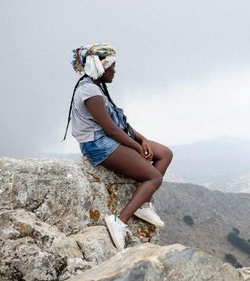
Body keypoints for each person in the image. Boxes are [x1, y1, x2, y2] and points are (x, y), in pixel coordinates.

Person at [63, 43, 173, 250]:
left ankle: (143, 203)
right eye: (111, 66)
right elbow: (111, 129)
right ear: (101, 67)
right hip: (98, 145)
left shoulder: (96, 87)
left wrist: (143, 140)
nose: (114, 70)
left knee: (165, 154)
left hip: (109, 139)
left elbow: (120, 124)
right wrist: (137, 148)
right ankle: (119, 221)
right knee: (153, 177)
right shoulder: (90, 91)